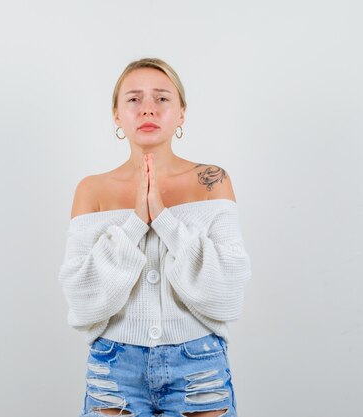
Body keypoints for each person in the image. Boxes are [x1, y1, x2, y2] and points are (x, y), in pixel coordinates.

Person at [57, 57, 252, 417]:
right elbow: (82, 302)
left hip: (199, 367)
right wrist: (135, 223)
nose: (148, 108)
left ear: (181, 114)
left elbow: (228, 294)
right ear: (117, 115)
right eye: (133, 99)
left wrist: (163, 218)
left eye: (162, 98)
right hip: (115, 370)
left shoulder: (213, 180)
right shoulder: (92, 189)